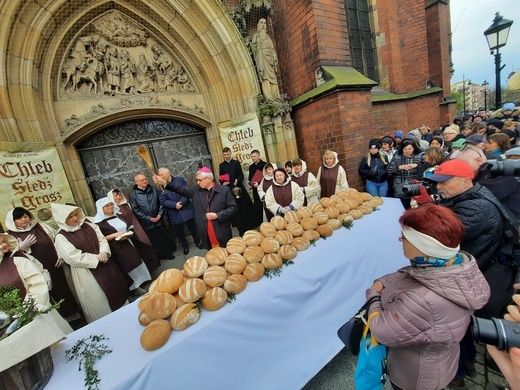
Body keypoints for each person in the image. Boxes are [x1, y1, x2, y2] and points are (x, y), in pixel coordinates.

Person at [366, 204, 490, 390]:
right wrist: (386, 280)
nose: (400, 240)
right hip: (441, 360)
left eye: (405, 237)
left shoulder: (422, 299)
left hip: (413, 376)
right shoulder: (456, 266)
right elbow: (411, 275)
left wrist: (373, 295)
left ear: (423, 246)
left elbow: (381, 331)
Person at [51, 203, 129, 323]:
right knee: (98, 300)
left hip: (106, 263)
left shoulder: (89, 226)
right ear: (62, 220)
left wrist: (103, 252)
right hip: (86, 272)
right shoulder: (61, 237)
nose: (75, 219)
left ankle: (127, 316)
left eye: (75, 215)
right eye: (70, 217)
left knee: (116, 290)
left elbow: (101, 239)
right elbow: (72, 256)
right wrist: (95, 259)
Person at [5, 207, 80, 320]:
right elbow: (6, 257)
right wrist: (20, 248)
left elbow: (59, 240)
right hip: (33, 271)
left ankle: (74, 316)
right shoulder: (8, 236)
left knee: (64, 289)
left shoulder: (42, 227)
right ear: (12, 221)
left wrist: (61, 255)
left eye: (25, 216)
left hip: (55, 264)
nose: (24, 219)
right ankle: (57, 321)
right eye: (19, 218)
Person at [0, 233, 73, 334]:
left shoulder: (19, 261)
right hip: (11, 322)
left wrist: (27, 311)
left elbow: (37, 283)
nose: (3, 245)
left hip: (37, 309)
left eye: (3, 242)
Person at [152, 167, 238, 249]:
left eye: (200, 180)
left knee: (225, 251)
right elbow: (181, 189)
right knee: (213, 254)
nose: (197, 182)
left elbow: (233, 208)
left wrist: (218, 215)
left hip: (220, 229)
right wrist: (165, 183)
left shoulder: (224, 190)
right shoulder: (196, 190)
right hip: (205, 230)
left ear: (209, 179)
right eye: (197, 180)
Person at [93, 198, 152, 296]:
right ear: (101, 208)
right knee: (128, 265)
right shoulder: (99, 223)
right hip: (117, 247)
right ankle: (135, 287)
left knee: (137, 260)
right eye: (107, 206)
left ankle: (143, 279)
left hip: (128, 241)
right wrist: (115, 235)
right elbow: (101, 238)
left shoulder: (118, 215)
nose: (110, 207)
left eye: (111, 204)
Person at [129, 174, 177, 260]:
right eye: (141, 180)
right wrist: (149, 218)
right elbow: (135, 210)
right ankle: (159, 256)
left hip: (159, 219)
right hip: (148, 223)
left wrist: (159, 214)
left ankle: (168, 252)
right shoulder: (133, 195)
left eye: (145, 179)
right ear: (136, 182)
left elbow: (161, 202)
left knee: (164, 237)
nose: (144, 181)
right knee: (155, 240)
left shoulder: (154, 189)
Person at [157, 167, 203, 255]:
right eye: (159, 175)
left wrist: (181, 203)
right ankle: (185, 246)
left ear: (168, 174)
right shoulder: (160, 186)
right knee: (179, 232)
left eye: (162, 174)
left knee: (193, 228)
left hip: (186, 209)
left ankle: (197, 241)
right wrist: (175, 205)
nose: (160, 177)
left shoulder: (179, 180)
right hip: (175, 213)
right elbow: (163, 200)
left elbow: (187, 192)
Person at [219, 147, 257, 235]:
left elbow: (241, 175)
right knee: (235, 210)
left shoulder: (236, 163)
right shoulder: (222, 165)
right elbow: (221, 178)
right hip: (229, 191)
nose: (226, 156)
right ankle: (240, 228)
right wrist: (223, 183)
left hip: (239, 189)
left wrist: (237, 180)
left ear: (230, 153)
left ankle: (249, 225)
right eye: (224, 155)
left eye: (227, 154)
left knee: (244, 207)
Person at [385, 139, 423, 209]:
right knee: (402, 205)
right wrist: (399, 167)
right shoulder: (396, 157)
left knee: (416, 206)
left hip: (414, 184)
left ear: (414, 149)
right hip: (400, 184)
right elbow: (388, 171)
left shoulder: (420, 156)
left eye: (409, 149)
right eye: (405, 149)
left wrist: (417, 165)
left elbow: (426, 167)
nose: (407, 151)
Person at [250, 18, 281, 101]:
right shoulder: (256, 37)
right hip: (262, 59)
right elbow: (254, 48)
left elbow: (272, 48)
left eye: (265, 23)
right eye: (261, 23)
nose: (263, 25)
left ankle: (276, 96)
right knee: (265, 77)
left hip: (269, 59)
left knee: (273, 77)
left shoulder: (268, 37)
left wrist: (274, 56)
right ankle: (268, 97)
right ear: (258, 26)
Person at [248, 150, 266, 227]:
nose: (253, 158)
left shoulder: (265, 165)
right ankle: (260, 223)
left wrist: (259, 184)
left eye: (254, 156)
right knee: (258, 206)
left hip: (264, 188)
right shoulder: (251, 167)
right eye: (252, 156)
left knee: (264, 205)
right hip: (255, 190)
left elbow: (267, 177)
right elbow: (250, 178)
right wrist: (250, 185)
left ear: (259, 156)